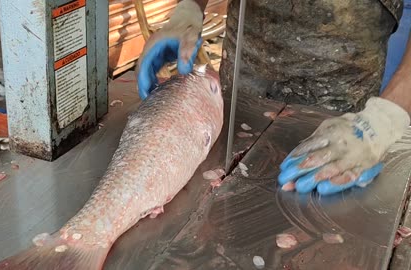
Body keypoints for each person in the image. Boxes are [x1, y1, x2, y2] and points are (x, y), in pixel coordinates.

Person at [136, 0, 411, 195]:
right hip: (249, 43)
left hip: (345, 61)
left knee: (315, 198)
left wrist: (386, 117)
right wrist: (190, 9)